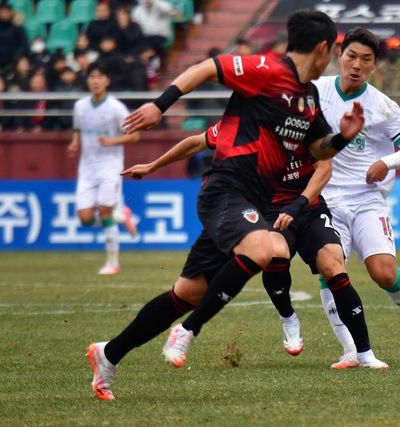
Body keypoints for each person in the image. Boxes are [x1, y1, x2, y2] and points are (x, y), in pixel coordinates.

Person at [86, 10, 381, 401]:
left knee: (187, 293)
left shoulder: (308, 98)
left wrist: (342, 138)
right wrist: (161, 104)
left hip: (252, 202)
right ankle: (188, 330)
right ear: (324, 48)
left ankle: (108, 354)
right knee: (265, 248)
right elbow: (207, 68)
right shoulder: (266, 69)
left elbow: (317, 150)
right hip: (225, 188)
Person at [314, 28, 400, 364]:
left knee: (384, 273)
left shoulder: (382, 106)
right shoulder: (316, 91)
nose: (357, 65)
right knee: (330, 268)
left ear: (374, 64)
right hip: (326, 199)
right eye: (351, 56)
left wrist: (386, 162)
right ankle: (350, 349)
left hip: (367, 199)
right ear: (339, 55)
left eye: (366, 59)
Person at [66, 62, 140, 275]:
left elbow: (135, 135)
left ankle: (113, 263)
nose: (95, 81)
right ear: (87, 80)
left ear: (107, 80)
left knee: (105, 210)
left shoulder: (116, 108)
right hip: (87, 168)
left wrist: (111, 141)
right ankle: (122, 215)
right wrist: (74, 143)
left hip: (110, 165)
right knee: (85, 218)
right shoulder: (80, 106)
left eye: (99, 77)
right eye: (92, 77)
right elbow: (77, 129)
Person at [369, 36, 400, 114]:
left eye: (395, 50)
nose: (392, 52)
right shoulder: (379, 67)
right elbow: (370, 83)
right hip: (381, 105)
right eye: (390, 49)